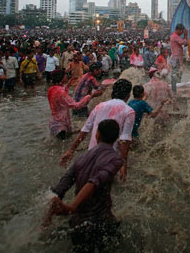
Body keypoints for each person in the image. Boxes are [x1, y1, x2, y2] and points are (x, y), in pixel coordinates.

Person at [47, 120, 124, 253]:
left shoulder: (82, 156)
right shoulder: (116, 159)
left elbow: (60, 188)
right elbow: (95, 182)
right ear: (117, 137)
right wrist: (71, 207)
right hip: (100, 223)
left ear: (97, 135)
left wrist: (47, 218)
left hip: (76, 224)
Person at [61, 79, 135, 181]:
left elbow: (85, 130)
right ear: (128, 95)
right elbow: (124, 140)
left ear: (113, 92)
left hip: (92, 154)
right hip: (110, 158)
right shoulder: (129, 111)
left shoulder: (100, 106)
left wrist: (71, 150)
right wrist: (123, 165)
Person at [47, 70, 103, 139]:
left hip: (55, 122)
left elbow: (62, 95)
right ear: (61, 77)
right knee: (63, 145)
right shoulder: (60, 92)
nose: (67, 76)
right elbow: (76, 106)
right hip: (61, 125)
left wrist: (69, 84)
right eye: (65, 75)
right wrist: (90, 96)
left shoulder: (52, 89)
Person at [169, 24, 188, 93]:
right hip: (176, 59)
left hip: (176, 58)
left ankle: (175, 90)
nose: (182, 33)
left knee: (177, 74)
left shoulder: (174, 36)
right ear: (178, 30)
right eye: (182, 31)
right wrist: (186, 35)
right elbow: (185, 43)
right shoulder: (175, 36)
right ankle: (175, 91)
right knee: (176, 75)